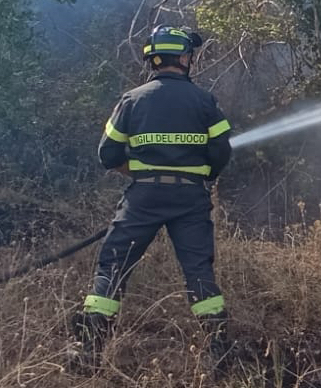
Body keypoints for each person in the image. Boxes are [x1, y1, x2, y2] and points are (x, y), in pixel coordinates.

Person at [69, 25, 235, 377]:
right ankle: (220, 356)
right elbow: (222, 149)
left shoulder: (132, 100)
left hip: (143, 197)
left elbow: (107, 153)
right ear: (185, 58)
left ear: (154, 60)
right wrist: (203, 175)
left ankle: (87, 355)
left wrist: (140, 174)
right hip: (190, 198)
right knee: (199, 273)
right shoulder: (204, 101)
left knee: (112, 268)